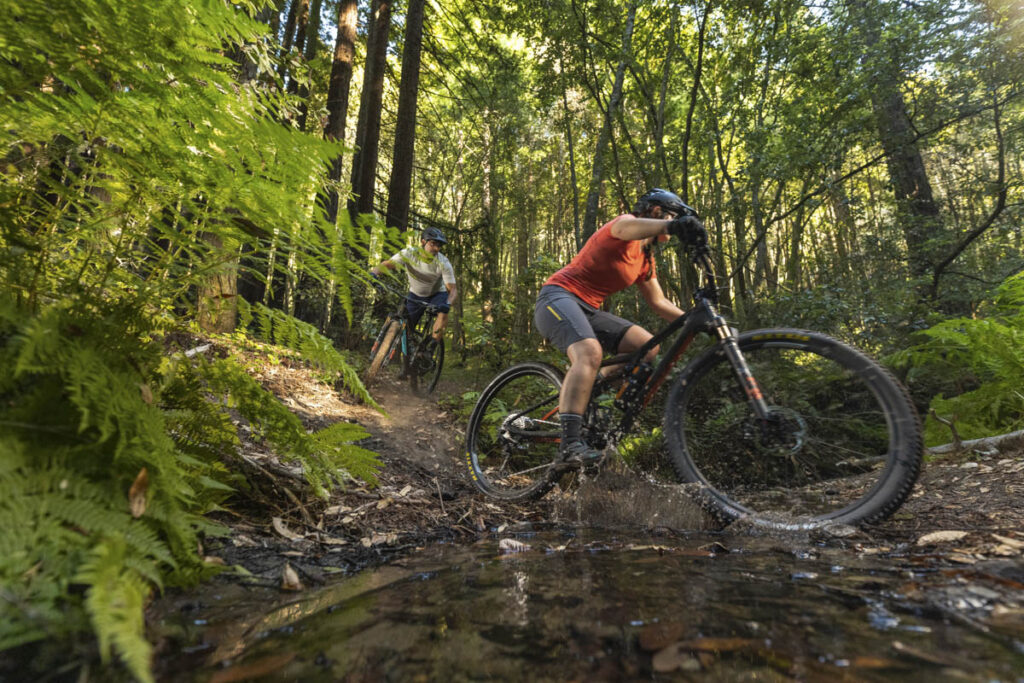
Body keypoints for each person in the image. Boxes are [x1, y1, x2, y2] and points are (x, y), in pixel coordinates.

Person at [533, 188, 707, 465]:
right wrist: (675, 225)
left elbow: (659, 302)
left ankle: (592, 384)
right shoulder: (624, 224)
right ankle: (568, 445)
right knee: (589, 352)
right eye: (672, 217)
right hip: (557, 297)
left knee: (647, 347)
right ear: (656, 211)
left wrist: (701, 321)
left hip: (589, 309)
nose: (672, 228)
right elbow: (627, 228)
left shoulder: (644, 259)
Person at [370, 226, 458, 348]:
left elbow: (452, 289)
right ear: (423, 242)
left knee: (443, 313)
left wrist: (448, 304)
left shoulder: (444, 262)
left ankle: (432, 346)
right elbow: (387, 264)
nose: (436, 248)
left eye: (439, 246)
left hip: (437, 294)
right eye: (433, 244)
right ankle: (408, 356)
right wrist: (373, 274)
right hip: (415, 295)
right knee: (406, 329)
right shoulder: (409, 254)